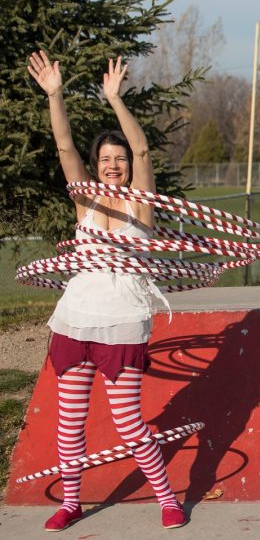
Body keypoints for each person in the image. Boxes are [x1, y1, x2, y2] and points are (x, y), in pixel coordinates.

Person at [27, 51, 187, 531]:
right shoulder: (86, 200)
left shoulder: (141, 205)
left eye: (117, 159)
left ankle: (167, 499)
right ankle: (72, 502)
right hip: (76, 316)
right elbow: (63, 147)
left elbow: (142, 151)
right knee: (69, 422)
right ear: (96, 167)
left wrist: (115, 100)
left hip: (122, 321)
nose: (113, 164)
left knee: (129, 423)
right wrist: (55, 96)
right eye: (105, 159)